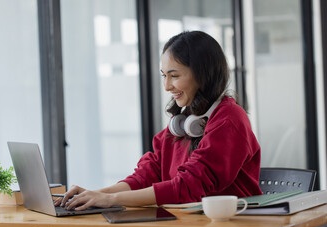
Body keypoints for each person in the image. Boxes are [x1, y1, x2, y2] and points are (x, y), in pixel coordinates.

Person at [54, 31, 262, 211]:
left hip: (234, 226)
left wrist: (110, 199)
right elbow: (148, 174)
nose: (167, 86)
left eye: (174, 75)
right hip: (190, 224)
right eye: (164, 75)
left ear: (202, 74)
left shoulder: (229, 119)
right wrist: (95, 195)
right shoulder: (185, 121)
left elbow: (188, 186)